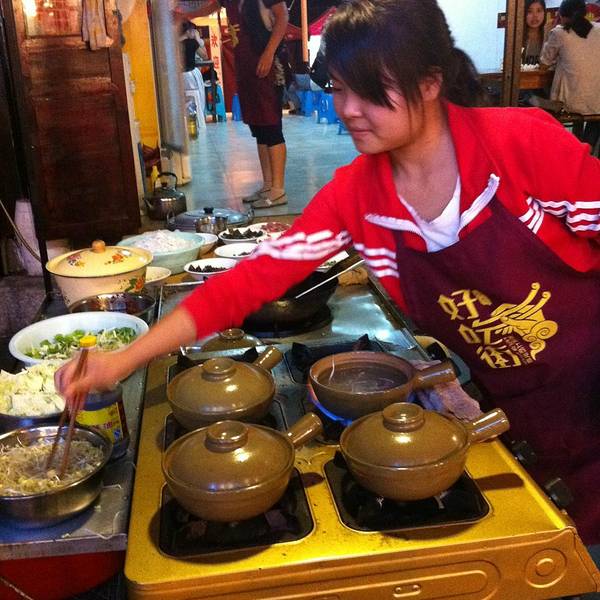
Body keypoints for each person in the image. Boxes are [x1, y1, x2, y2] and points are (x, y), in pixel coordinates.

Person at [57, 0, 600, 569]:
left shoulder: (519, 145)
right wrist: (124, 360)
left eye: (370, 91)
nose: (348, 109)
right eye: (339, 88)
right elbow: (247, 283)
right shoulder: (356, 196)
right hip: (515, 411)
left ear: (430, 82)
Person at [178, 0, 289, 208]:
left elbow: (282, 17)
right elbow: (213, 5)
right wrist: (185, 15)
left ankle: (278, 190)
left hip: (268, 66)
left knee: (272, 126)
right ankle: (267, 185)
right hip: (247, 67)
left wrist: (268, 53)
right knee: (259, 128)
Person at [540, 0, 600, 153]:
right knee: (596, 117)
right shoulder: (598, 30)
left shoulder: (559, 33)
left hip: (569, 102)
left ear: (561, 16)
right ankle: (586, 152)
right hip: (596, 102)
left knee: (536, 99)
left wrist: (547, 32)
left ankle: (566, 152)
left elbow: (544, 63)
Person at [522, 0, 548, 65]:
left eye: (539, 11)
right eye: (529, 11)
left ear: (544, 13)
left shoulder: (550, 34)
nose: (535, 15)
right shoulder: (517, 35)